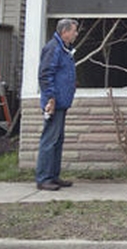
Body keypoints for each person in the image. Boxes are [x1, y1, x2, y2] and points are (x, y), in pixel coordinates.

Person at [35, 18, 78, 191]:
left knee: (58, 140)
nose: (76, 34)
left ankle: (53, 175)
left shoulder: (64, 49)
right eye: (74, 30)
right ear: (65, 31)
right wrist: (51, 98)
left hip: (62, 101)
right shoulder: (53, 48)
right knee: (50, 139)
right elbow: (45, 74)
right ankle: (43, 177)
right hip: (54, 102)